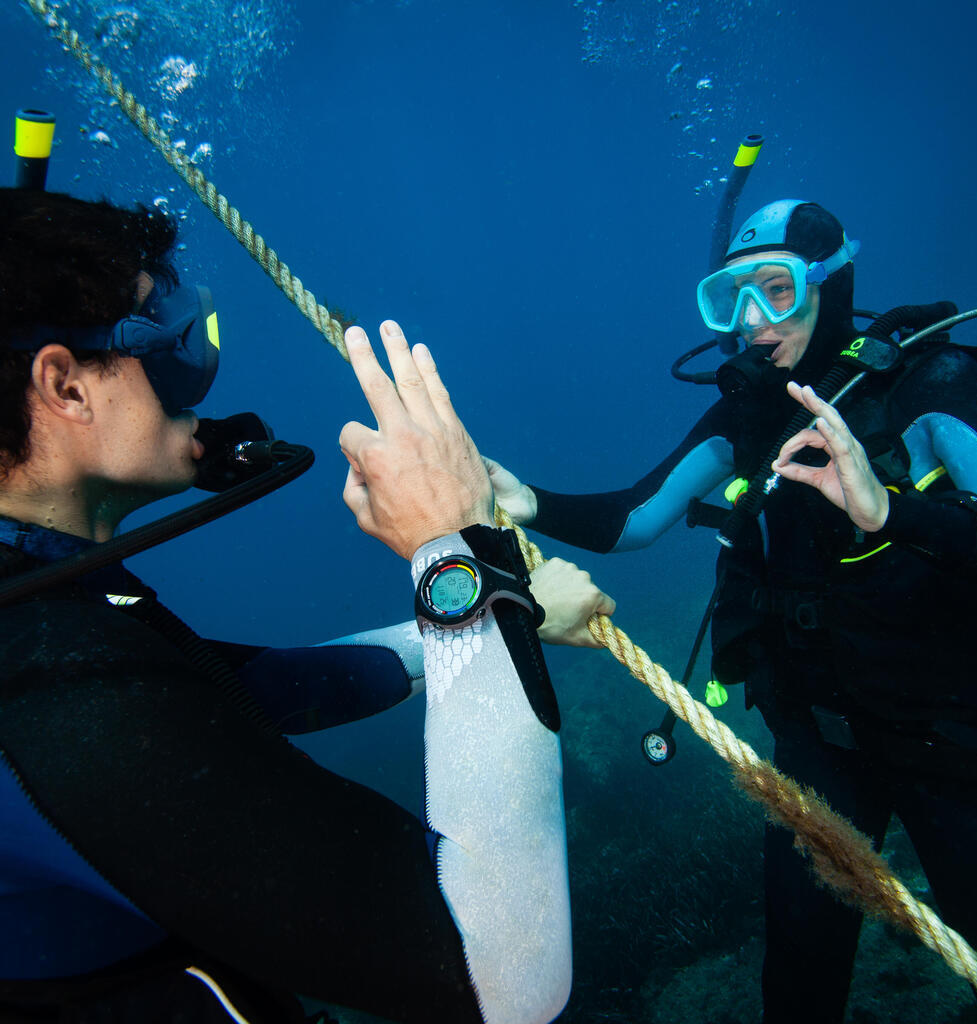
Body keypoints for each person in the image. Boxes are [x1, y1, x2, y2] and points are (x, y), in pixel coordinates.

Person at [0, 187, 615, 1024]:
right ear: (64, 387)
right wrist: (455, 555)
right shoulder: (41, 684)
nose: (196, 377)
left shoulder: (50, 608)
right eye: (169, 346)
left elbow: (242, 693)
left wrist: (517, 615)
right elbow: (503, 974)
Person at [486, 199, 977, 1022]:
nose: (750, 323)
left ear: (832, 284)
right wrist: (525, 499)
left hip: (960, 744)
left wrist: (892, 512)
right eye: (729, 299)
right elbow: (637, 518)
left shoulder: (931, 385)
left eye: (776, 291)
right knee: (799, 977)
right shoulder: (747, 412)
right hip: (820, 743)